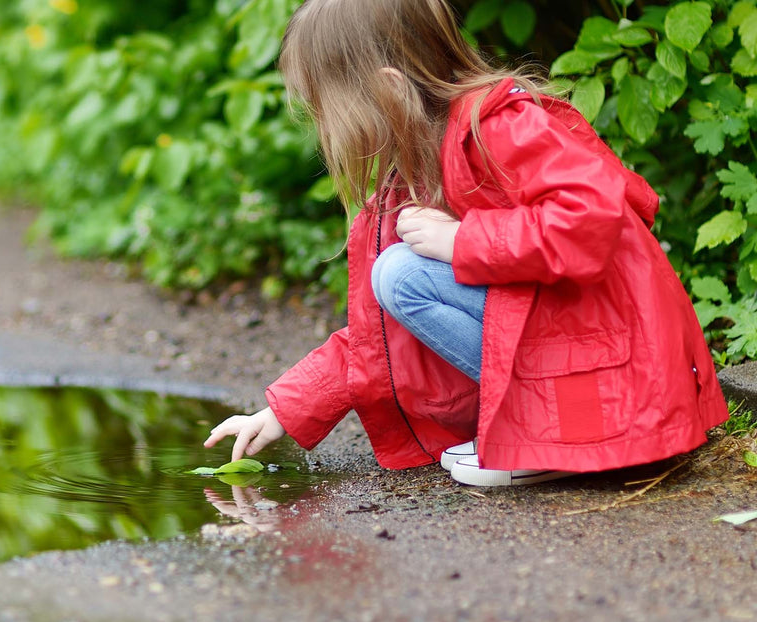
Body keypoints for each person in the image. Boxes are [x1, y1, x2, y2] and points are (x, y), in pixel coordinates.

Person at [204, 0, 729, 486]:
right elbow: (377, 338)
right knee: (398, 275)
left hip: (613, 370)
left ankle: (541, 435)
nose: (327, 128)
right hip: (577, 351)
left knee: (401, 274)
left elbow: (591, 217)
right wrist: (286, 411)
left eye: (331, 107)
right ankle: (531, 425)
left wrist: (461, 239)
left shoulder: (499, 126)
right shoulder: (418, 162)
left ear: (388, 86)